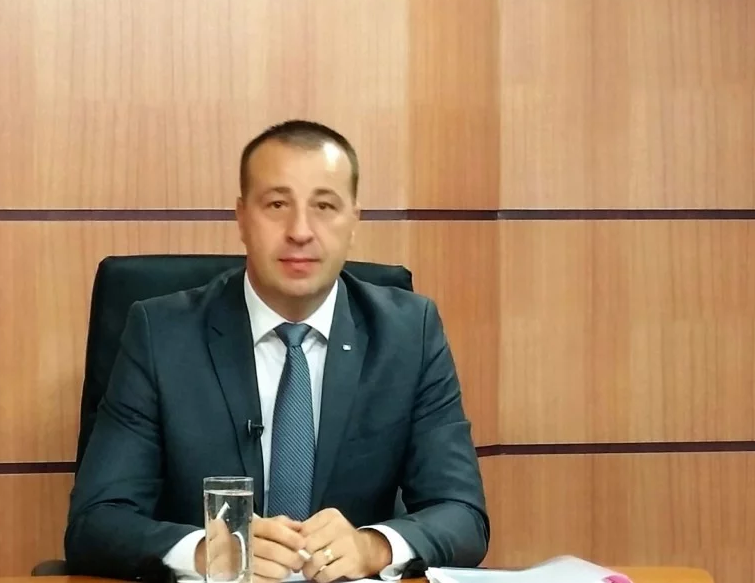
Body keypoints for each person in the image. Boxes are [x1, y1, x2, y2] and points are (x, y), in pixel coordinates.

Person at [64, 120, 489, 583]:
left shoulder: (409, 334)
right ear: (242, 218)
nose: (300, 231)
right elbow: (96, 523)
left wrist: (372, 547)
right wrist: (208, 553)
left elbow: (462, 515)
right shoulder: (161, 334)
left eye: (324, 206)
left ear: (354, 221)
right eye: (277, 205)